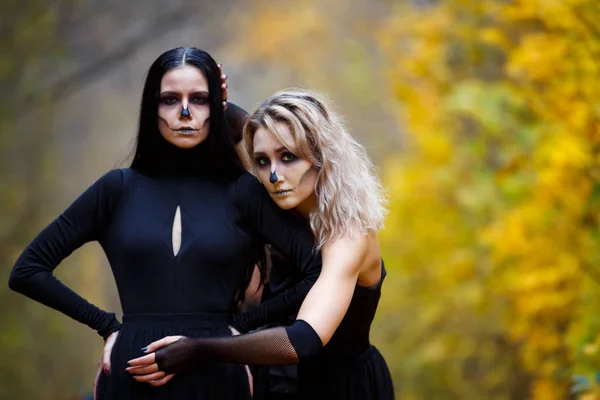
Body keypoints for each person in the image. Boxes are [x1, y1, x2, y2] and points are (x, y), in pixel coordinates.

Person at [8, 49, 322, 400]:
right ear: (151, 108)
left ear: (214, 109)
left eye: (199, 100)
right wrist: (107, 326)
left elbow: (316, 267)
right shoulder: (116, 190)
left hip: (217, 373)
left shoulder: (242, 192)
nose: (185, 113)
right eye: (170, 99)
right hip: (133, 372)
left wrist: (240, 329)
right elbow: (28, 270)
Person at [127, 89, 395, 399]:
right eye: (262, 161)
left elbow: (302, 339)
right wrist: (208, 91)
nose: (273, 175)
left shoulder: (348, 237)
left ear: (323, 155)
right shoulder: (280, 212)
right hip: (274, 383)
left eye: (288, 157)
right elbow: (236, 125)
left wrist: (197, 349)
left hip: (342, 390)